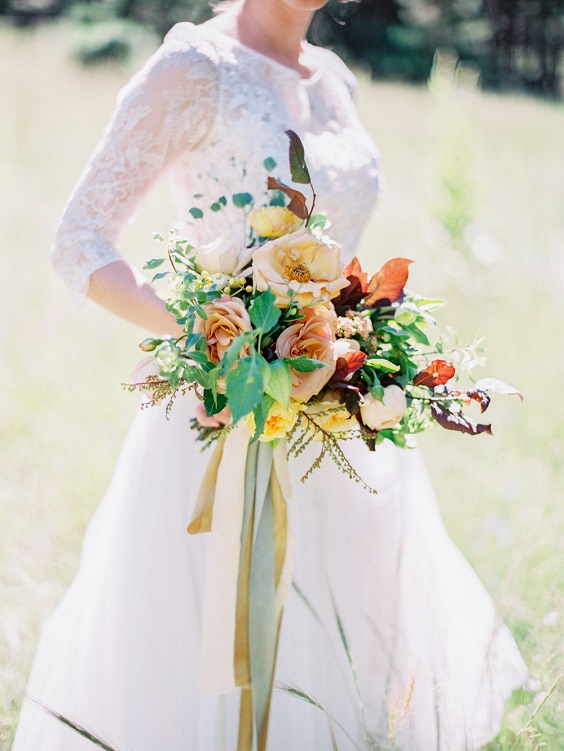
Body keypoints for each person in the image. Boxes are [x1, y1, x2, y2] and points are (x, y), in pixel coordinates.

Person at [13, 1, 528, 749]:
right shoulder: (197, 67)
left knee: (348, 676)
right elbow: (79, 239)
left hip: (341, 429)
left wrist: (357, 338)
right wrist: (209, 335)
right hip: (227, 422)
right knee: (219, 676)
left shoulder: (336, 81)